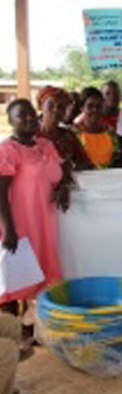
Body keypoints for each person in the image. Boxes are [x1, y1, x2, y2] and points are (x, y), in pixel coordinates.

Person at [0, 99, 70, 303]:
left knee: (44, 273)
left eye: (31, 113)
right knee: (19, 280)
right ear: (10, 121)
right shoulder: (8, 150)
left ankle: (38, 318)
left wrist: (63, 187)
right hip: (22, 223)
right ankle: (15, 320)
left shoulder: (46, 145)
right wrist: (9, 229)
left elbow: (61, 172)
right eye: (21, 115)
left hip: (45, 220)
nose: (29, 118)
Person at [36, 86, 93, 171]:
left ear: (64, 112)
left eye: (61, 107)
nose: (56, 110)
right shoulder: (29, 136)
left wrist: (70, 168)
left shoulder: (69, 136)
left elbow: (86, 163)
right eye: (50, 105)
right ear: (41, 106)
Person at [73, 87, 122, 169]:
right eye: (90, 106)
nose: (95, 110)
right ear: (82, 108)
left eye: (98, 106)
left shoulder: (111, 132)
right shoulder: (74, 133)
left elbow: (117, 160)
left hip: (109, 176)